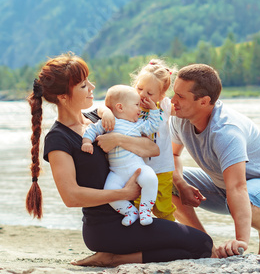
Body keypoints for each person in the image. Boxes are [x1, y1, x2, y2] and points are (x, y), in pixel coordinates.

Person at [25, 53, 212, 267]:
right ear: (63, 97)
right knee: (202, 244)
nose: (92, 87)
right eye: (84, 85)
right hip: (106, 228)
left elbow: (152, 149)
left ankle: (116, 257)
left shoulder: (100, 118)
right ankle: (114, 258)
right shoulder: (59, 139)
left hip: (132, 216)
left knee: (198, 245)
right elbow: (71, 197)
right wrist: (125, 193)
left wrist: (118, 138)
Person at [169, 63, 260, 258]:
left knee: (247, 199)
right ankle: (204, 243)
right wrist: (181, 184)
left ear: (204, 101)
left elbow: (238, 188)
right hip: (224, 187)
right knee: (162, 180)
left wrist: (241, 241)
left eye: (180, 96)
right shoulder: (179, 118)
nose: (172, 101)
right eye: (174, 93)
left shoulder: (226, 131)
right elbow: (173, 156)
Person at [100, 59, 178, 222]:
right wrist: (106, 112)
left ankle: (170, 234)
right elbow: (108, 103)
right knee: (137, 202)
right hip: (136, 167)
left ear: (162, 95)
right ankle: (139, 235)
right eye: (139, 88)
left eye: (150, 93)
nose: (143, 95)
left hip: (163, 167)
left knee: (163, 208)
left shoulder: (164, 106)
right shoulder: (130, 105)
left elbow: (185, 108)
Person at [82, 85, 160, 226]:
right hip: (116, 171)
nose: (140, 109)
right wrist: (86, 141)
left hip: (137, 167)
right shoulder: (109, 123)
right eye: (136, 105)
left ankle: (145, 210)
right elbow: (92, 129)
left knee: (150, 179)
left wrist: (154, 109)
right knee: (110, 191)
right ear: (120, 107)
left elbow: (153, 125)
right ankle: (130, 212)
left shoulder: (138, 124)